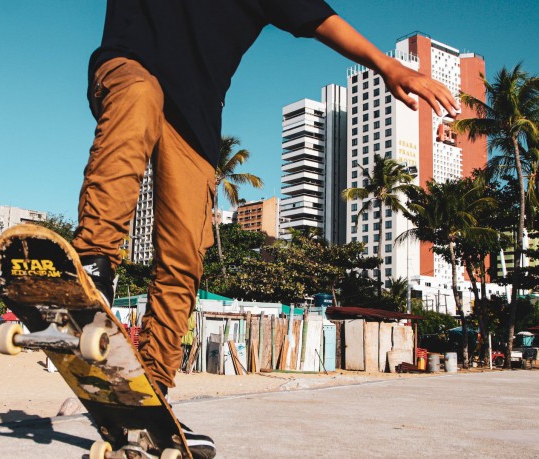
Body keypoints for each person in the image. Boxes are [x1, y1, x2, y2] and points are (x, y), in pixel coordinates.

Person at [71, 2, 458, 457]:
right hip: (128, 67)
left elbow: (320, 21)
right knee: (139, 98)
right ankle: (94, 261)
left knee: (184, 256)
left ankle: (151, 393)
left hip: (194, 119)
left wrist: (389, 67)